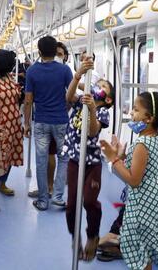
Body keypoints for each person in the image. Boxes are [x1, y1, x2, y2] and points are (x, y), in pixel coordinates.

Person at [101, 92, 158, 270]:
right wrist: (121, 156)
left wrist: (113, 158)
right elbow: (135, 170)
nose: (131, 113)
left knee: (138, 250)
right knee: (145, 249)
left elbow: (134, 180)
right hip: (154, 198)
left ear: (149, 118)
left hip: (145, 203)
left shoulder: (142, 144)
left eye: (136, 110)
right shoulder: (153, 138)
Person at [63, 56, 115, 261]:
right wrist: (78, 74)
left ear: (108, 99)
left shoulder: (102, 112)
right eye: (97, 84)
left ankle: (92, 235)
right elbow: (68, 95)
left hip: (92, 163)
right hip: (75, 160)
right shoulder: (79, 102)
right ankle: (75, 237)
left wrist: (92, 108)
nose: (97, 87)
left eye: (103, 87)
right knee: (71, 205)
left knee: (89, 202)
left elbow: (93, 132)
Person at [24, 36, 72, 211]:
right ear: (56, 52)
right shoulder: (65, 70)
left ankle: (43, 200)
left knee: (41, 160)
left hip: (41, 122)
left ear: (39, 52)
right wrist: (65, 107)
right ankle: (58, 196)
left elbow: (28, 100)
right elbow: (71, 95)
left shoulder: (32, 71)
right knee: (63, 158)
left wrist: (27, 124)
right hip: (61, 121)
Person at [0, 49, 23, 197]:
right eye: (11, 63)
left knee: (9, 154)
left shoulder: (9, 77)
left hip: (13, 122)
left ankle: (3, 184)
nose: (13, 66)